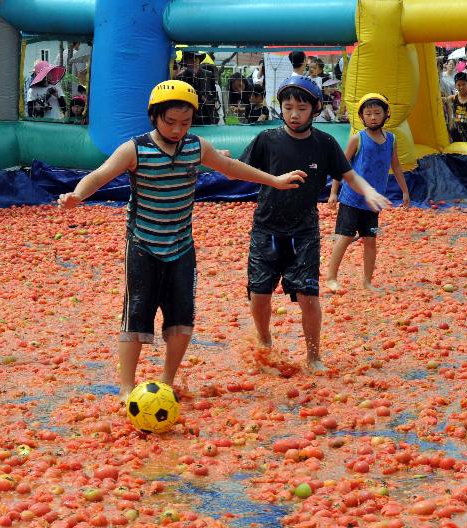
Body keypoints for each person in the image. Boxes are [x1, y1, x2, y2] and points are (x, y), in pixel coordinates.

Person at [57, 80, 307, 400]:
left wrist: (274, 180)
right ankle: (126, 387)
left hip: (181, 247)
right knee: (136, 314)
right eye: (170, 122)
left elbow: (230, 168)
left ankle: (167, 379)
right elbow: (100, 175)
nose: (177, 129)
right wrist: (77, 195)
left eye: (185, 123)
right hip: (143, 245)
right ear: (154, 117)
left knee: (182, 316)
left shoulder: (196, 147)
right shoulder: (135, 149)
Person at [240, 76, 390, 371]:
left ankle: (313, 356)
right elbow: (241, 170)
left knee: (309, 296)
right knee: (259, 294)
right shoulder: (267, 140)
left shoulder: (325, 144)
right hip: (266, 229)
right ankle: (265, 342)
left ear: (316, 109)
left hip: (304, 231)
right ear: (280, 108)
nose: (294, 114)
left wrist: (369, 191)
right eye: (288, 107)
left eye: (301, 108)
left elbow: (348, 175)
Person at [326, 93, 408, 293]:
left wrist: (405, 191)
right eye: (368, 113)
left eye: (377, 113)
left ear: (386, 115)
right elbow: (341, 166)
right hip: (351, 199)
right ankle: (331, 278)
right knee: (344, 237)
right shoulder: (357, 139)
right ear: (362, 117)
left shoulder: (391, 139)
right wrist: (333, 192)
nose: (373, 117)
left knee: (371, 241)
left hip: (373, 204)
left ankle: (367, 281)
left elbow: (396, 166)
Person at [448, 72, 467, 143]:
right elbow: (442, 100)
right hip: (457, 132)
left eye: (463, 84)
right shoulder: (454, 98)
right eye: (458, 85)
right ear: (455, 86)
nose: (461, 87)